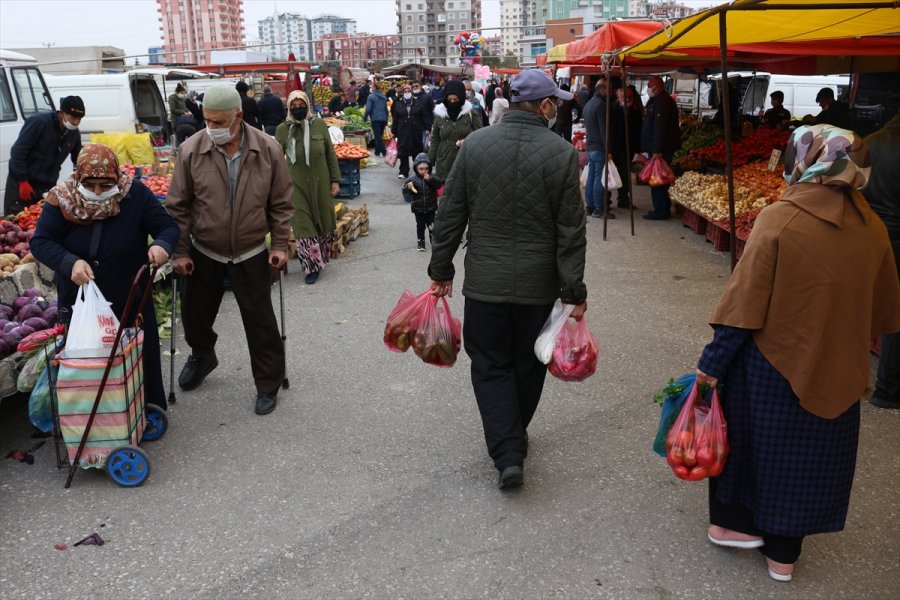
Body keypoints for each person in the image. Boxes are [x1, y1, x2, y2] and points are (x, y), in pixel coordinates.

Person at [695, 124, 900, 582]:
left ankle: (737, 528)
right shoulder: (873, 229)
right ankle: (784, 556)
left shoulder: (781, 218)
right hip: (841, 367)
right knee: (811, 459)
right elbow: (883, 309)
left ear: (806, 160)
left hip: (773, 364)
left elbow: (743, 308)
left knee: (759, 448)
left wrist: (710, 366)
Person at [428, 69, 587, 490]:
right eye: (556, 101)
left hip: (485, 283)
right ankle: (511, 442)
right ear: (543, 106)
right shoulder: (562, 153)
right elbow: (571, 231)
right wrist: (573, 291)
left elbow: (450, 214)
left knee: (490, 364)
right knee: (529, 362)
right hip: (538, 286)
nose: (558, 107)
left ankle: (507, 450)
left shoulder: (476, 145)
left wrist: (440, 268)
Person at [165, 84, 293, 416]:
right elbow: (178, 206)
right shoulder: (191, 150)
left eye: (218, 121)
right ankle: (203, 354)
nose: (212, 128)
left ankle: (268, 383)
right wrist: (180, 252)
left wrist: (279, 245)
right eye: (207, 120)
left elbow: (280, 204)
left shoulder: (267, 149)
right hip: (204, 249)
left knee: (260, 322)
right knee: (194, 317)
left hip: (250, 250)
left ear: (238, 116)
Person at [30, 144, 179, 412]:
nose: (98, 192)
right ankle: (95, 418)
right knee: (90, 360)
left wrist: (161, 245)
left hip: (128, 292)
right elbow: (41, 241)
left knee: (135, 353)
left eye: (104, 184)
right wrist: (69, 262)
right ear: (78, 178)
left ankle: (143, 411)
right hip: (80, 297)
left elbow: (167, 227)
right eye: (91, 185)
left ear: (116, 177)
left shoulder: (135, 194)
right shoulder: (61, 198)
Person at [275, 90, 341, 284]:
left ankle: (320, 256)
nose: (298, 109)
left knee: (324, 221)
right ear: (288, 108)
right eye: (293, 107)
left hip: (321, 183)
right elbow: (275, 160)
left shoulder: (319, 124)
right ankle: (310, 267)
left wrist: (335, 180)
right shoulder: (282, 129)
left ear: (308, 105)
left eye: (301, 105)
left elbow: (330, 153)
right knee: (303, 225)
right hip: (296, 186)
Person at [863, 108, 900, 409]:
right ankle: (887, 389)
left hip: (868, 234)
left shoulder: (869, 143)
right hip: (897, 239)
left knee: (862, 304)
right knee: (895, 313)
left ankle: (852, 374)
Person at [5, 96, 84, 215]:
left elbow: (77, 155)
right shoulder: (39, 123)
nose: (76, 122)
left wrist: (89, 160)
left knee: (40, 221)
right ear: (62, 113)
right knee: (16, 221)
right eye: (73, 117)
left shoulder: (73, 133)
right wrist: (22, 180)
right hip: (23, 182)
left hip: (46, 186)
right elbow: (18, 152)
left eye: (79, 119)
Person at [641, 75, 681, 220]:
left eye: (649, 85)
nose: (648, 88)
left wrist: (657, 150)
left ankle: (661, 210)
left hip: (662, 150)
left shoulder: (662, 102)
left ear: (656, 87)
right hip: (662, 148)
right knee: (659, 179)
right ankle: (662, 207)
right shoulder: (660, 100)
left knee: (658, 179)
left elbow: (660, 127)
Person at [428, 80, 481, 179]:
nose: (452, 102)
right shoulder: (439, 114)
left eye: (455, 99)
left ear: (461, 98)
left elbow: (480, 134)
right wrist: (429, 162)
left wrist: (466, 140)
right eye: (450, 99)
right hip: (444, 161)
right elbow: (435, 139)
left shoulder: (470, 113)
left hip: (465, 159)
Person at [582, 77, 615, 219]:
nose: (610, 92)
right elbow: (604, 130)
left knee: (591, 177)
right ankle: (598, 208)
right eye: (608, 89)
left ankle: (589, 206)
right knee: (598, 179)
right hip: (599, 147)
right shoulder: (601, 105)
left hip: (591, 146)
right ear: (601, 89)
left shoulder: (589, 104)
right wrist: (608, 149)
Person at [402, 153, 442, 251]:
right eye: (421, 169)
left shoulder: (432, 176)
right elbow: (405, 191)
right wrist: (408, 187)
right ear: (416, 168)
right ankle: (421, 241)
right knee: (420, 226)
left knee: (432, 225)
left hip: (431, 207)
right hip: (418, 208)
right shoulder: (412, 179)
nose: (424, 171)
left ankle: (433, 239)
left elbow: (439, 184)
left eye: (426, 168)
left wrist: (430, 179)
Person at [612, 86, 643, 209]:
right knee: (611, 174)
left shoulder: (635, 110)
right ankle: (606, 202)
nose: (628, 99)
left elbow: (639, 129)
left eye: (630, 96)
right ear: (618, 97)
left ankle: (623, 200)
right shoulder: (612, 109)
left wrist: (638, 148)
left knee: (625, 175)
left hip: (628, 148)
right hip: (614, 147)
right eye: (625, 97)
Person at [391, 85, 428, 180]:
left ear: (411, 92)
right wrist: (393, 131)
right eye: (405, 91)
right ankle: (403, 171)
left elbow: (424, 116)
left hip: (416, 130)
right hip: (402, 130)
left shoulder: (418, 102)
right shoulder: (398, 103)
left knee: (417, 150)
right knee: (403, 151)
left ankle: (418, 170)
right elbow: (395, 118)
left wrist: (427, 128)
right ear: (402, 93)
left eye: (408, 91)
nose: (407, 92)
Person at [364, 84, 390, 162]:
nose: (371, 89)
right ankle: (377, 152)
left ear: (374, 88)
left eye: (371, 87)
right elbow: (386, 110)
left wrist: (365, 117)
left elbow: (368, 109)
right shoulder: (384, 97)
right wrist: (386, 119)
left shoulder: (371, 96)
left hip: (375, 119)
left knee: (378, 136)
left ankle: (384, 152)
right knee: (379, 136)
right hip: (383, 119)